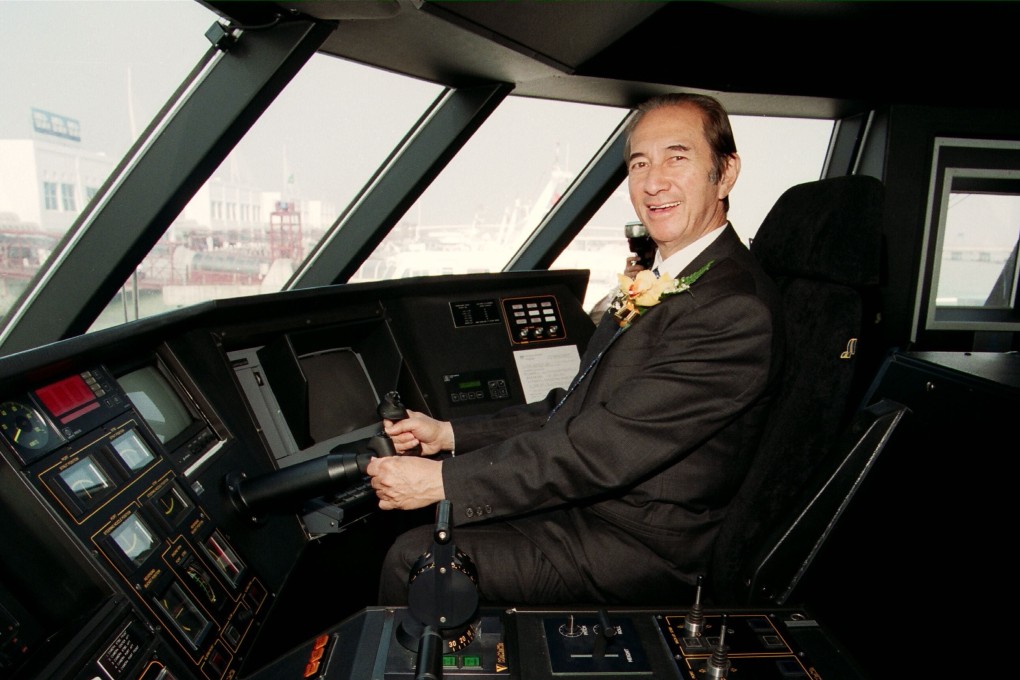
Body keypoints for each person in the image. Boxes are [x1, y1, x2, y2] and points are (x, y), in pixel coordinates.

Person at [367, 93, 784, 606]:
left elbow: (602, 446)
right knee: (417, 524)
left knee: (414, 557)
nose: (653, 183)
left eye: (677, 158)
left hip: (640, 543)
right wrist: (450, 435)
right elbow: (576, 410)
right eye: (639, 164)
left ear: (725, 173)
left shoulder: (734, 308)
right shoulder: (671, 279)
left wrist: (444, 482)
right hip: (595, 509)